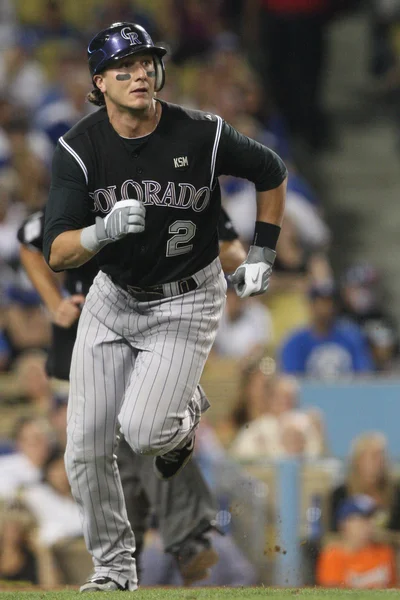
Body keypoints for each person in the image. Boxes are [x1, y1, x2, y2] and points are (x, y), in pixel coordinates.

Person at [41, 22, 287, 592]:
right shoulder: (79, 147)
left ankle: (178, 419)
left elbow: (271, 172)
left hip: (186, 298)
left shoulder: (200, 132)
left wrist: (264, 253)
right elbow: (56, 250)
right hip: (112, 297)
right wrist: (99, 232)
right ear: (99, 82)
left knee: (146, 433)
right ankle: (114, 570)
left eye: (146, 63)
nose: (139, 74)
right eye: (122, 68)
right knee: (84, 447)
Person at [18, 204, 247, 587]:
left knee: (143, 438)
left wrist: (179, 249)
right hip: (86, 348)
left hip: (146, 340)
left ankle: (173, 541)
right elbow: (28, 238)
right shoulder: (85, 193)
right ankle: (143, 552)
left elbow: (234, 252)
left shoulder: (182, 190)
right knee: (111, 454)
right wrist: (53, 299)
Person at [280, 281, 373, 378]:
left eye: (330, 303)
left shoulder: (352, 337)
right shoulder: (295, 342)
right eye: (321, 303)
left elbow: (363, 376)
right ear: (310, 305)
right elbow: (292, 379)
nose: (326, 308)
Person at [317, 495, 396, 588]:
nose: (370, 524)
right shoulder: (333, 556)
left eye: (372, 518)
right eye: (362, 518)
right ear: (343, 523)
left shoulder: (385, 552)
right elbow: (330, 595)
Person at [329, 432, 400, 533]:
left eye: (382, 456)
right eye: (374, 456)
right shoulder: (341, 494)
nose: (380, 461)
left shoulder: (396, 493)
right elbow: (334, 534)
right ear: (358, 460)